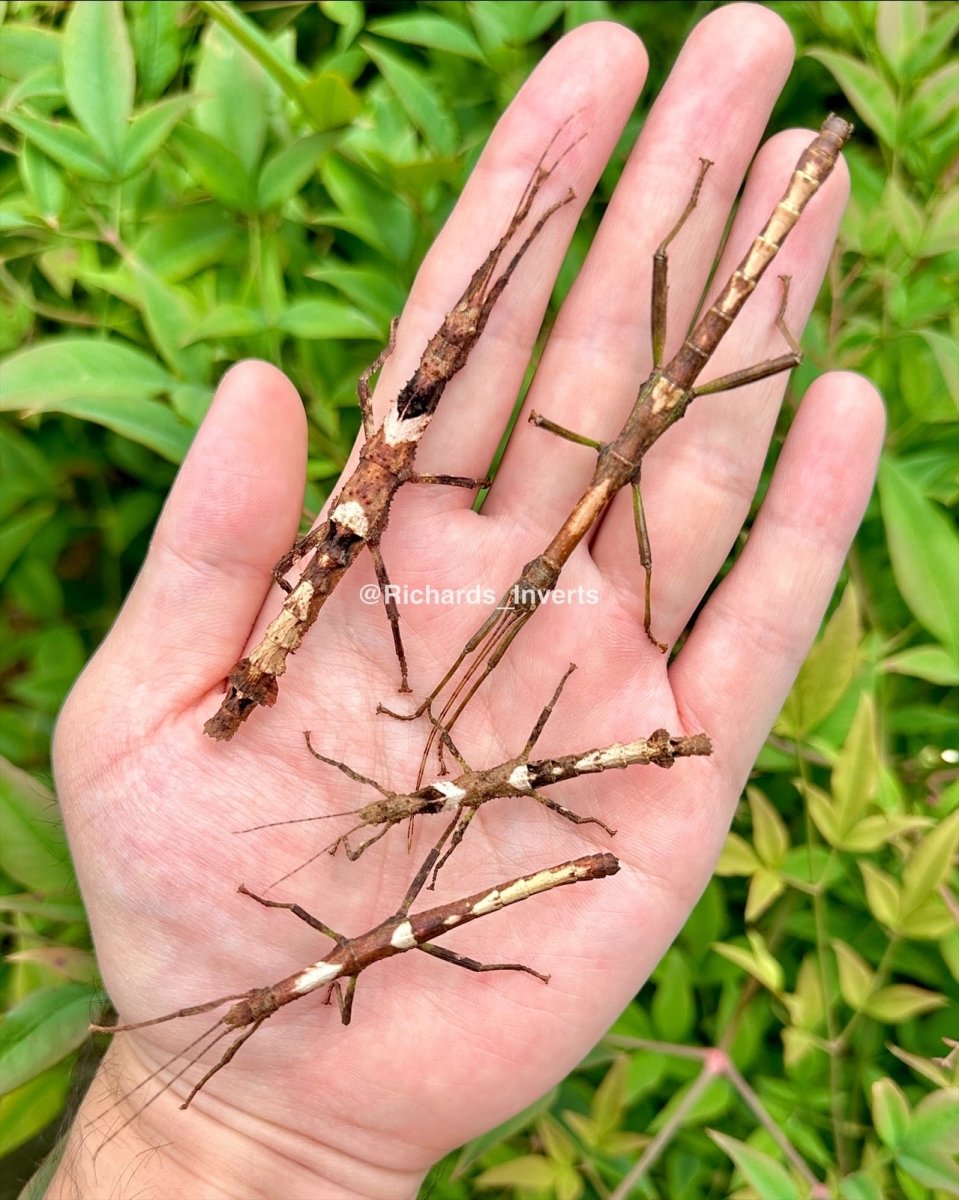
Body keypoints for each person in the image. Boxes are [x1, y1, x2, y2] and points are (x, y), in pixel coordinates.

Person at [46, 8, 883, 1197]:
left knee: (676, 303)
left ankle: (776, 171)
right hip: (496, 727)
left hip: (606, 479)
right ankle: (757, 171)